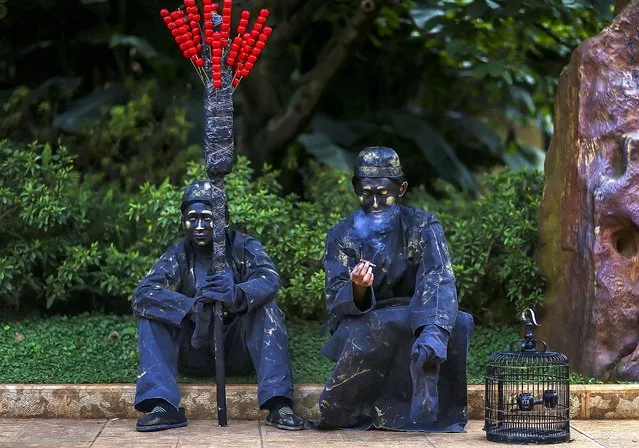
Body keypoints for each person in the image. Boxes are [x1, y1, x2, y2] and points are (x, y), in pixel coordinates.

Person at [316, 146, 474, 432]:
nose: (375, 203)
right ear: (355, 188)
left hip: (418, 312)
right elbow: (333, 297)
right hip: (367, 315)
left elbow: (437, 275)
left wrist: (432, 326)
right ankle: (355, 410)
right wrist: (358, 289)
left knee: (459, 321)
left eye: (383, 193)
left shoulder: (423, 224)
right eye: (366, 193)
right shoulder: (342, 235)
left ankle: (430, 349)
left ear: (401, 188)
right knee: (380, 323)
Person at [132, 180, 304, 432]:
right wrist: (191, 306)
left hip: (237, 349)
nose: (200, 226)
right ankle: (162, 404)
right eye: (192, 218)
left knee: (268, 309)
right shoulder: (178, 254)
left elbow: (269, 278)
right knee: (151, 315)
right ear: (183, 222)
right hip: (195, 349)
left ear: (224, 220)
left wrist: (237, 294)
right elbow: (143, 295)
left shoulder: (244, 246)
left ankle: (279, 403)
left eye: (208, 218)